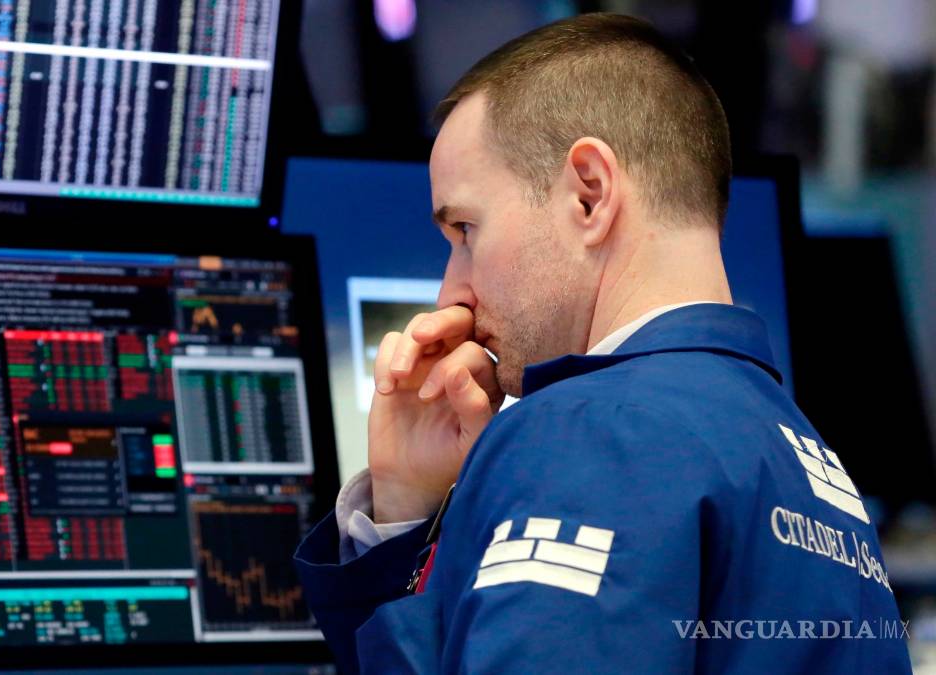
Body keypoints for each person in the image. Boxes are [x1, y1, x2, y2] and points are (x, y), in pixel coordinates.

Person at [294, 12, 910, 674]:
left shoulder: (586, 427)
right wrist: (404, 509)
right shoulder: (814, 466)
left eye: (466, 230)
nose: (451, 292)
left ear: (590, 195)